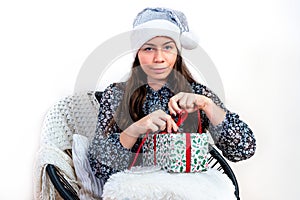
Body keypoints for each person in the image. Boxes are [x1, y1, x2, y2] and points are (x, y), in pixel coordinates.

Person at [88, 7, 256, 185]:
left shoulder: (198, 94)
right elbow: (99, 169)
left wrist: (208, 105)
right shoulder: (116, 95)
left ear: (177, 52)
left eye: (167, 47)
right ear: (137, 53)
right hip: (137, 192)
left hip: (188, 191)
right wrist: (135, 129)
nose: (159, 58)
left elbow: (243, 149)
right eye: (149, 48)